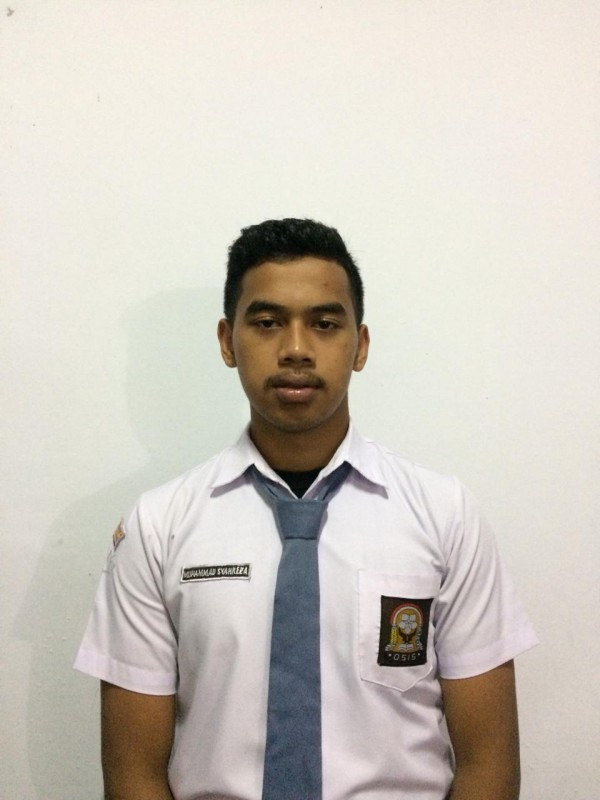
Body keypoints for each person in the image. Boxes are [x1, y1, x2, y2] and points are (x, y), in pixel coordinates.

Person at [75, 218, 538, 800]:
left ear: (360, 345)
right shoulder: (158, 526)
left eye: (324, 324)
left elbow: (489, 765)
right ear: (227, 341)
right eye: (267, 323)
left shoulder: (445, 515)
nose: (295, 349)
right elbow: (133, 776)